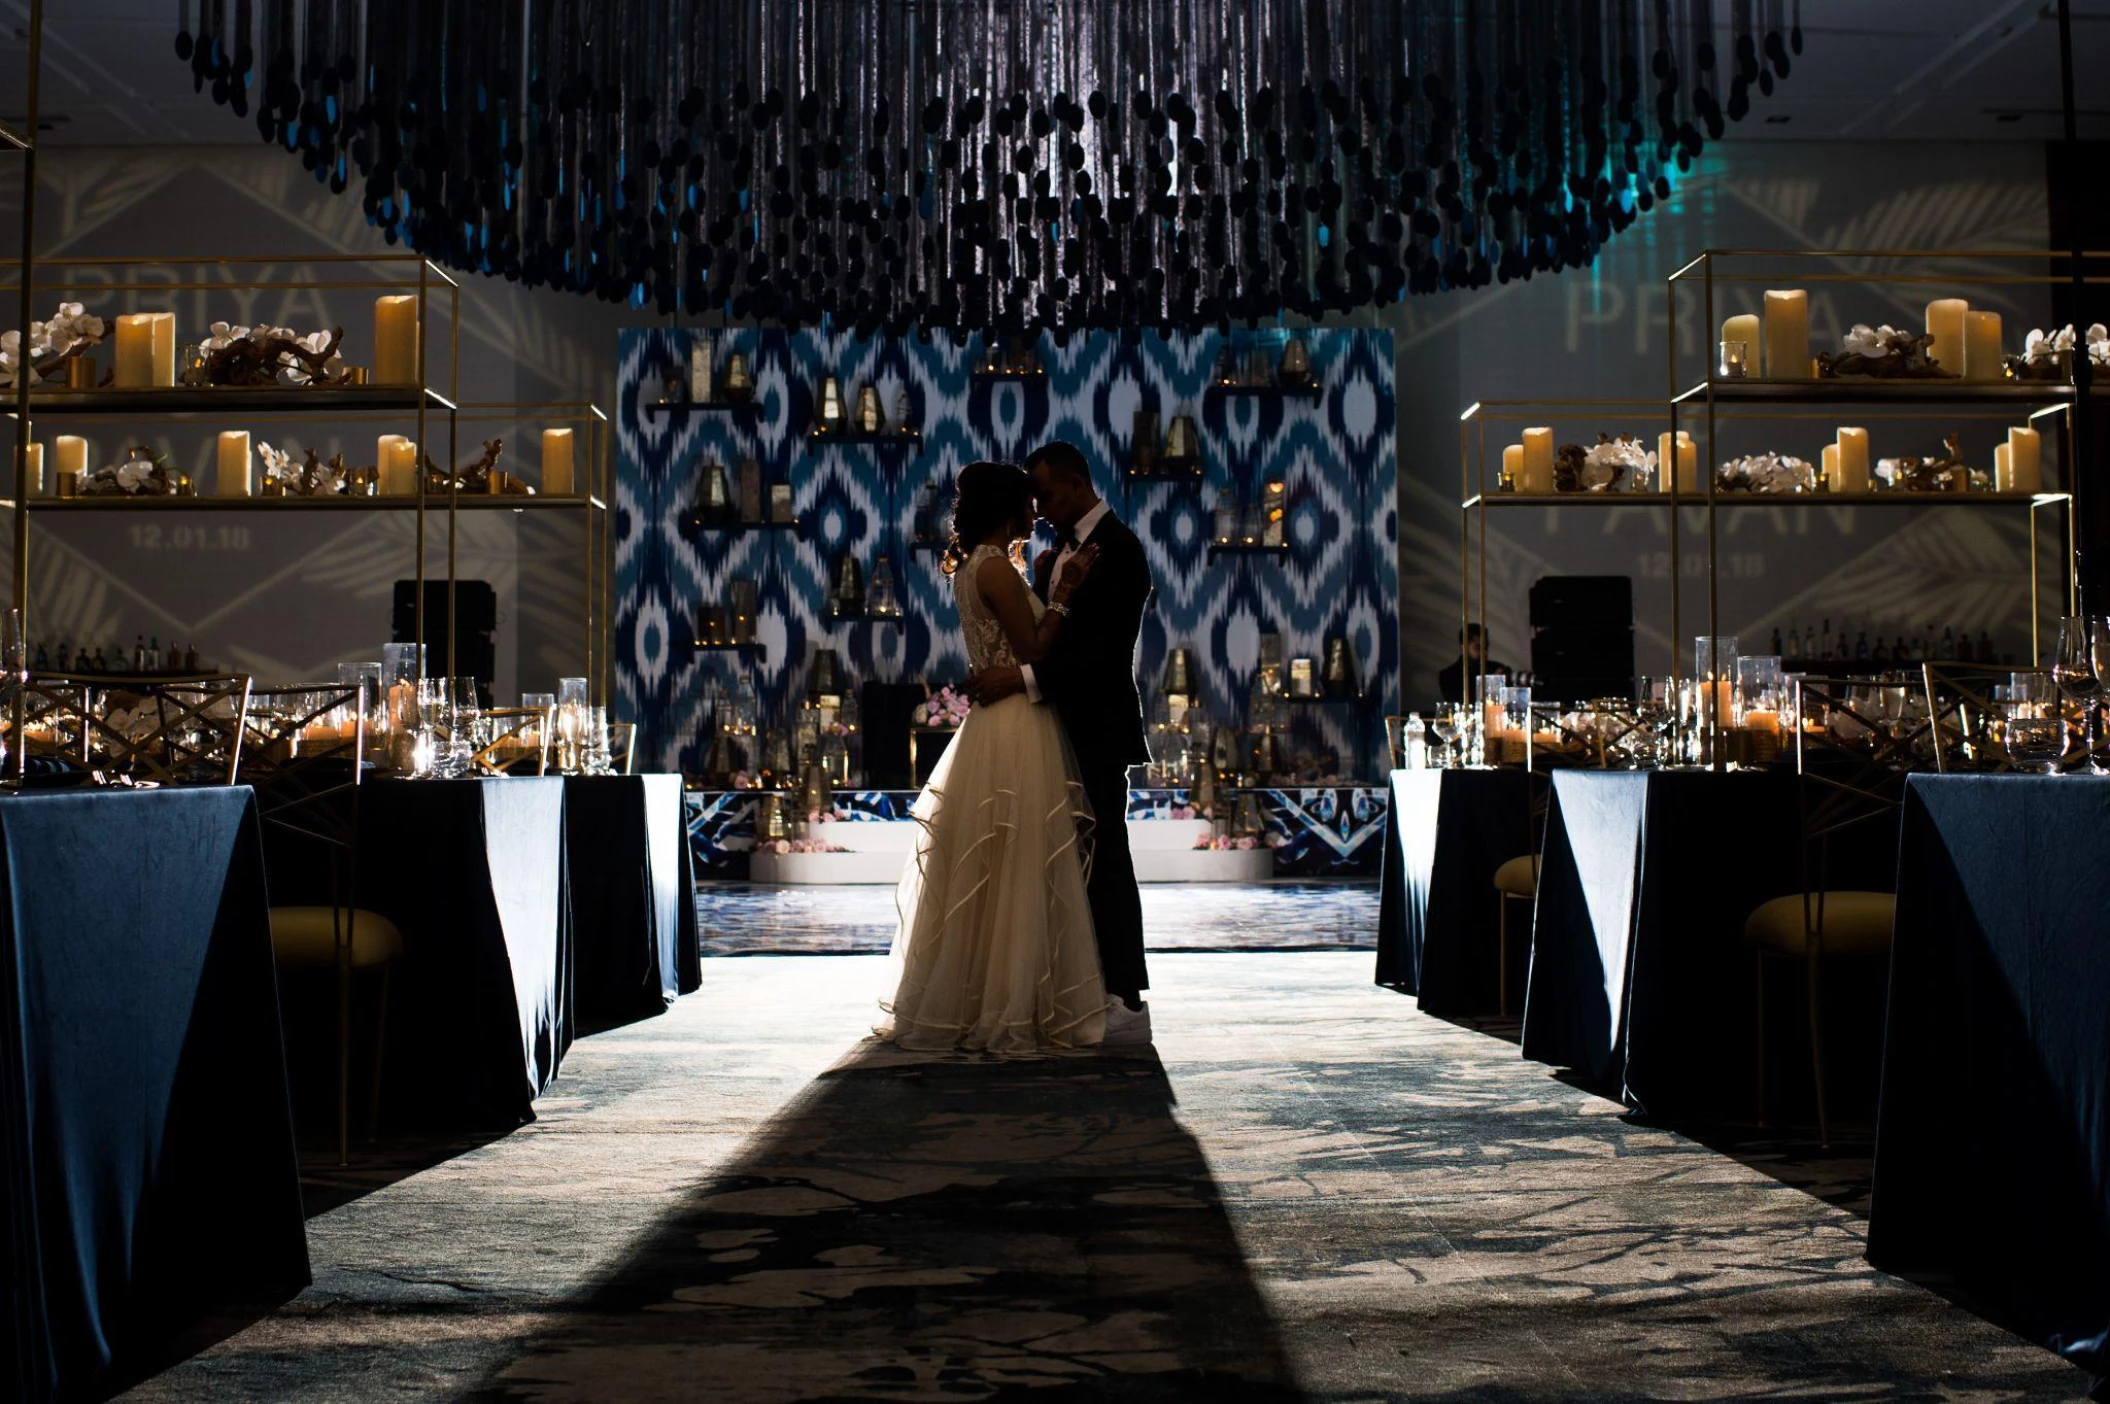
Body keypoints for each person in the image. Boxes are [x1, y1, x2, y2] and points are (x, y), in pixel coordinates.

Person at [877, 460, 1109, 1053]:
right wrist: (1064, 596)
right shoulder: (998, 569)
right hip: (1015, 727)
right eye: (1029, 504)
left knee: (990, 866)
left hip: (992, 722)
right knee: (1019, 860)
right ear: (1008, 508)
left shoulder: (972, 567)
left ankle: (977, 996)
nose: (1037, 513)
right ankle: (1011, 1005)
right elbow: (1032, 646)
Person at [968, 440, 1155, 1044]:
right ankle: (1068, 987)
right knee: (1056, 868)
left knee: (1105, 860)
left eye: (1045, 494)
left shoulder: (1123, 551)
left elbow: (1101, 658)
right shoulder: (1050, 561)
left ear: (1076, 484)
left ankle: (1125, 995)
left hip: (1096, 727)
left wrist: (1020, 678)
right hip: (1047, 731)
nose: (1040, 508)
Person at [1436, 623, 1510, 704]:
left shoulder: (1496, 668)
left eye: (1485, 647)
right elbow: (1462, 703)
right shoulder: (1448, 676)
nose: (1484, 652)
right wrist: (1492, 684)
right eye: (1478, 648)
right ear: (1463, 648)